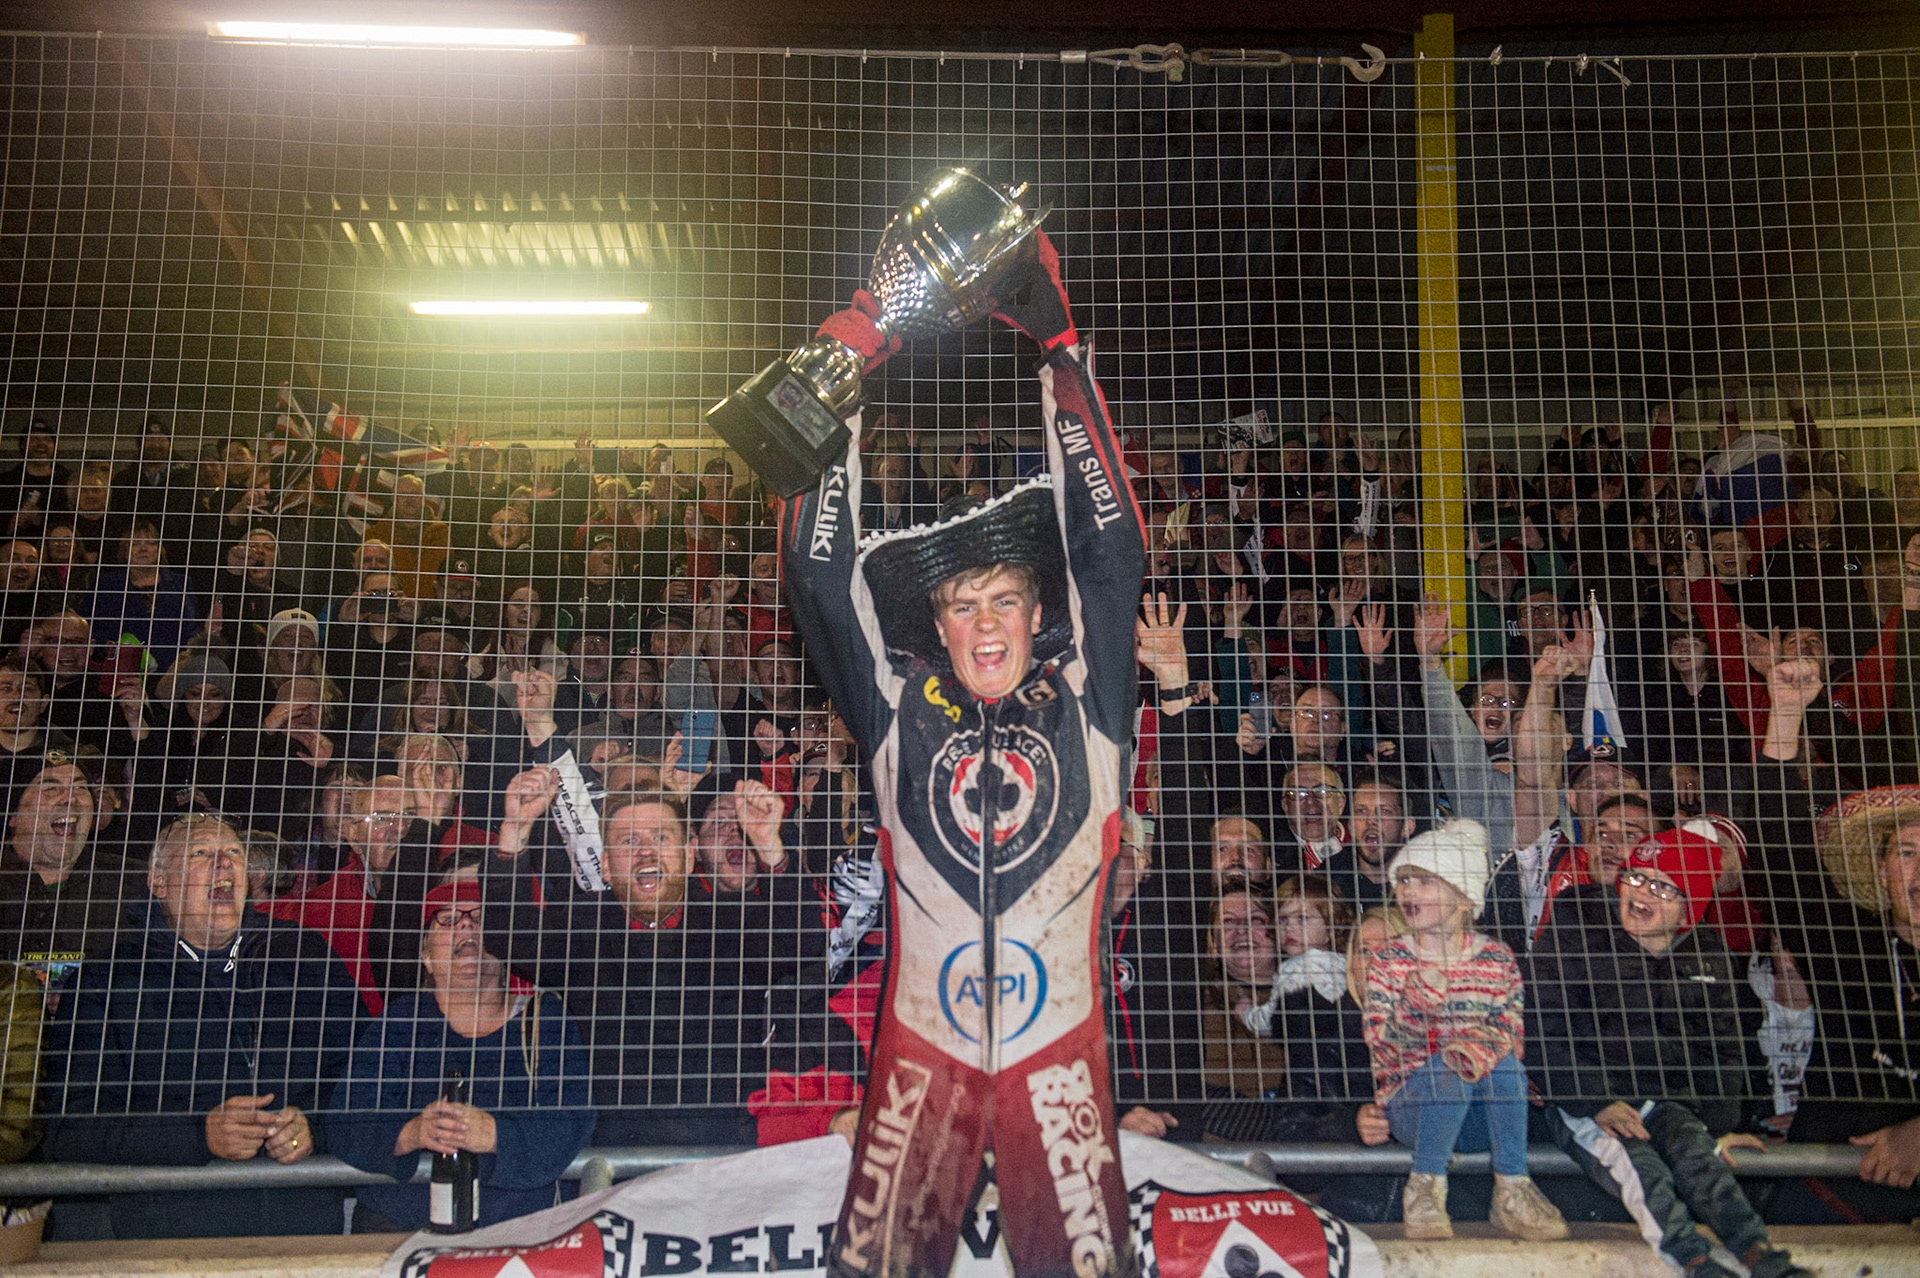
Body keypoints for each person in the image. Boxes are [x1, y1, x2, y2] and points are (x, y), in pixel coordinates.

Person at [782, 228, 1141, 1278]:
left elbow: (1111, 552)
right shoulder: (896, 709)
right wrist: (847, 356)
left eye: (1005, 600)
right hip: (920, 1062)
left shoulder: (1091, 702)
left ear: (1037, 614)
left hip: (1061, 1057)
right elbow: (817, 578)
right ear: (936, 628)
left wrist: (1059, 352)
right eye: (962, 605)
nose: (985, 623)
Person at [39, 814, 361, 1238]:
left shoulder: (304, 956)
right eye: (200, 853)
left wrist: (314, 1128)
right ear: (159, 882)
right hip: (170, 1236)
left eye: (234, 852)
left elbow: (364, 1080)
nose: (224, 863)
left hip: (302, 1228)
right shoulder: (108, 980)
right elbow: (70, 1127)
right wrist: (198, 1134)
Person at [1528, 828, 1816, 1278]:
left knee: (1702, 1161)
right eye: (1636, 877)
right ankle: (1694, 1262)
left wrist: (1717, 1124)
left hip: (1669, 1101)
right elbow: (1541, 1028)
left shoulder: (1708, 954)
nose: (1643, 892)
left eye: (1664, 887)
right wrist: (1595, 1100)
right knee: (1641, 1168)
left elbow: (1723, 1049)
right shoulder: (1576, 931)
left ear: (1689, 908)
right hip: (1589, 1102)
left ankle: (1764, 1259)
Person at [328, 881, 595, 1232]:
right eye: (448, 919)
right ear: (426, 956)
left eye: (480, 918)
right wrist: (413, 1133)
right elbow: (346, 1121)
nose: (467, 925)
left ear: (506, 946)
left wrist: (494, 1134)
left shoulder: (545, 1020)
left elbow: (574, 1121)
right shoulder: (400, 1022)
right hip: (400, 1232)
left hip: (522, 1235)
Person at [1362, 819, 1568, 1241]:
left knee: (1503, 1065)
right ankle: (1424, 1187)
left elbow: (1511, 1035)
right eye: (1403, 881)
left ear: (1461, 894)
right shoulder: (1390, 960)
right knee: (1455, 1066)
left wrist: (1470, 1049)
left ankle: (1512, 1188)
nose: (1408, 892)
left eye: (1424, 881)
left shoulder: (1497, 959)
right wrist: (1418, 1005)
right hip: (1412, 1107)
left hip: (1481, 1117)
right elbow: (1381, 1044)